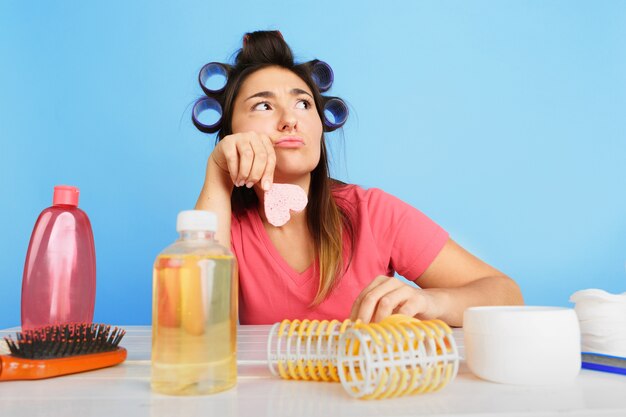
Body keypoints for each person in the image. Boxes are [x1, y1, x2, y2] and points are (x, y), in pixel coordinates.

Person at [194, 30, 523, 326]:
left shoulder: (373, 214)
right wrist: (217, 175)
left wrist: (432, 301)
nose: (289, 120)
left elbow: (506, 295)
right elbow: (197, 323)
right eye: (264, 106)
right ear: (230, 131)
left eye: (303, 103)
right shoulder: (227, 228)